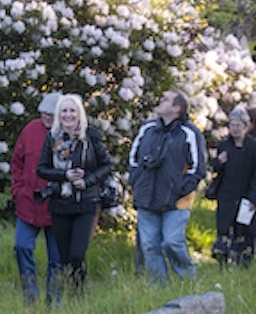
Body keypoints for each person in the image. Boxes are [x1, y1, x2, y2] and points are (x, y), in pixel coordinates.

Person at [128, 88, 207, 282]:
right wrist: (137, 184)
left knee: (172, 242)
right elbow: (133, 160)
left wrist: (179, 190)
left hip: (177, 202)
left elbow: (198, 169)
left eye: (165, 100)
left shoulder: (189, 132)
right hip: (147, 198)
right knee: (149, 246)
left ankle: (188, 283)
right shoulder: (147, 129)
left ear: (177, 108)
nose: (160, 101)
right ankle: (160, 290)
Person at [37, 94, 111, 294]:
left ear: (79, 114)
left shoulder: (91, 136)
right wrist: (65, 175)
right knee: (65, 257)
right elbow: (42, 169)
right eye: (64, 111)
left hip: (86, 202)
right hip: (61, 203)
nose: (68, 115)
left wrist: (85, 181)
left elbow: (106, 166)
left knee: (77, 253)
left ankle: (79, 294)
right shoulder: (52, 138)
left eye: (72, 111)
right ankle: (73, 294)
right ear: (58, 114)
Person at [11, 93, 62, 304]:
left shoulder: (68, 133)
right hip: (29, 203)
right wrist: (18, 189)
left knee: (57, 259)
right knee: (22, 245)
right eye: (44, 113)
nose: (47, 117)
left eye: (52, 114)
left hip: (58, 207)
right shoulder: (30, 129)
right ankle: (30, 296)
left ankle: (54, 303)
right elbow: (17, 161)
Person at [208, 105, 256, 266]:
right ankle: (222, 259)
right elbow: (216, 170)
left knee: (243, 230)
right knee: (224, 228)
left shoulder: (253, 147)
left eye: (238, 125)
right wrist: (219, 162)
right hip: (227, 194)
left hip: (246, 195)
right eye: (232, 125)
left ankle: (242, 261)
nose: (235, 129)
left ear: (245, 127)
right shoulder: (225, 145)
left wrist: (253, 198)